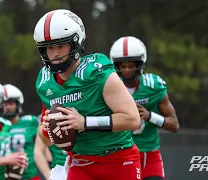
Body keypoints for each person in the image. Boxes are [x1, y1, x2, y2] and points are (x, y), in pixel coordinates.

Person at [33, 9, 141, 180]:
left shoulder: (97, 73)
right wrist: (47, 130)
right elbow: (46, 141)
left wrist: (85, 122)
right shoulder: (45, 82)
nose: (54, 54)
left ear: (76, 42)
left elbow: (133, 119)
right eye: (49, 47)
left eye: (60, 45)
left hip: (119, 160)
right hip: (81, 163)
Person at [109, 36, 180, 180]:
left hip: (149, 154)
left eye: (131, 65)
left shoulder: (153, 86)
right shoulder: (109, 89)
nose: (127, 70)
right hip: (121, 154)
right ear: (116, 66)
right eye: (123, 66)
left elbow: (174, 125)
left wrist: (149, 116)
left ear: (140, 63)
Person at [3, 84, 40, 180]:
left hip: (30, 175)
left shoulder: (30, 122)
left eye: (10, 103)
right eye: (4, 104)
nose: (7, 107)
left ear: (17, 104)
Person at [34, 114, 68, 180]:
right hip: (59, 170)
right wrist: (49, 177)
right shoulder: (48, 114)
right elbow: (38, 151)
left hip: (82, 167)